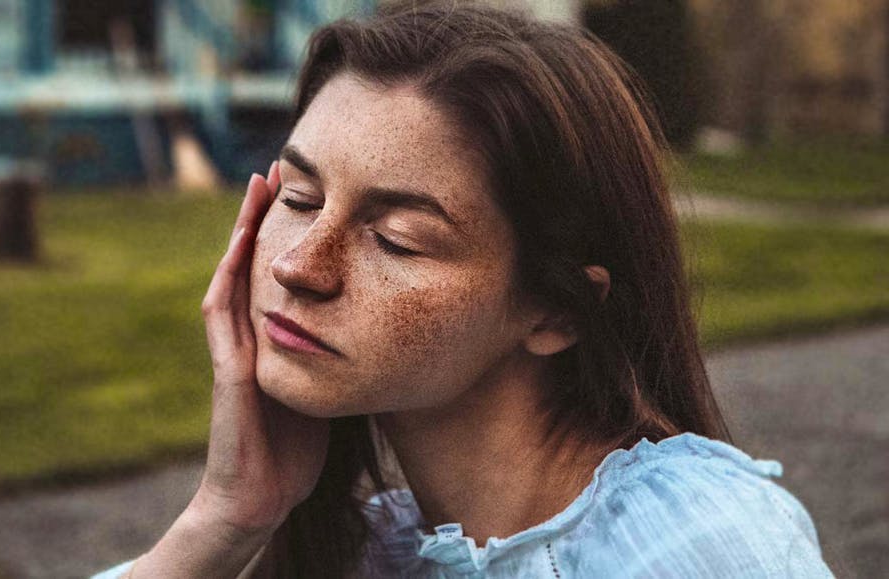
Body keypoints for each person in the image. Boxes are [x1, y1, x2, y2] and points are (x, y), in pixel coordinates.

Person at [94, 1, 833, 577]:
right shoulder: (377, 554)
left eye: (397, 239)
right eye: (299, 197)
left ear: (556, 309)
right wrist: (223, 519)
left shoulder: (689, 545)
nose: (300, 265)